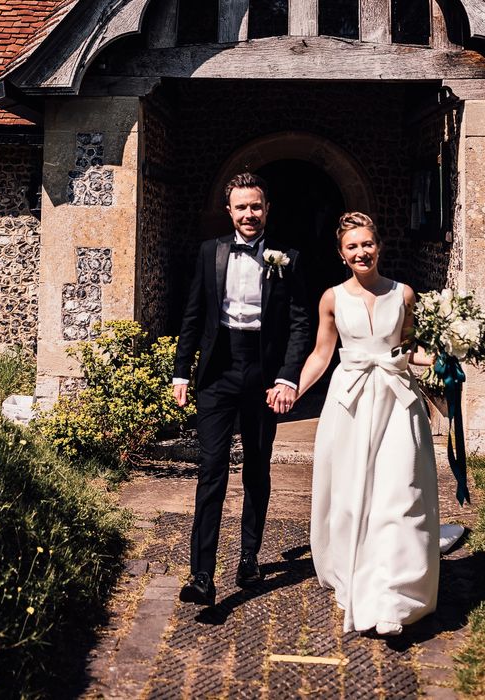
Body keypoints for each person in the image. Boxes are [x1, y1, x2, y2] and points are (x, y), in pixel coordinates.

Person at [289, 212, 439, 636]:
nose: (361, 252)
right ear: (341, 254)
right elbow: (322, 354)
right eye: (352, 246)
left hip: (397, 401)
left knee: (401, 491)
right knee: (353, 493)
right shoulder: (332, 299)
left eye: (367, 244)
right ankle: (354, 575)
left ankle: (396, 596)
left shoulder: (404, 293)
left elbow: (411, 348)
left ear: (380, 246)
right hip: (350, 403)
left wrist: (449, 356)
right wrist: (292, 390)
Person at [172, 172, 310, 606]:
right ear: (228, 211)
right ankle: (201, 575)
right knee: (210, 469)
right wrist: (181, 372)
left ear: (267, 210)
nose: (249, 214)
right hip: (217, 372)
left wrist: (288, 377)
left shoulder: (288, 257)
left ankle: (249, 557)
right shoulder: (209, 252)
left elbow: (301, 323)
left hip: (264, 375)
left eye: (256, 207)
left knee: (256, 467)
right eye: (241, 207)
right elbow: (193, 314)